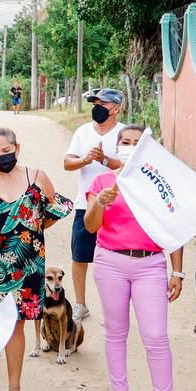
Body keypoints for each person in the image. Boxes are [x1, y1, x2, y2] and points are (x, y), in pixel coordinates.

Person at [83, 125, 186, 391]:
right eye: (124, 142)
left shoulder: (159, 186)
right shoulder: (102, 181)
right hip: (110, 262)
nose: (129, 146)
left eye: (135, 143)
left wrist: (177, 271)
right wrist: (100, 202)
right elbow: (90, 227)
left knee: (155, 336)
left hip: (150, 264)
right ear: (117, 147)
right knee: (115, 331)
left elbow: (174, 231)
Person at [0, 127, 72, 391]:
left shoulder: (37, 177)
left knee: (17, 326)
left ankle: (15, 389)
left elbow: (52, 213)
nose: (2, 156)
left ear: (17, 148)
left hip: (28, 267)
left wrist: (31, 230)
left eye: (6, 151)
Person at [62, 88, 126, 323]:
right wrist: (85, 160)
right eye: (94, 103)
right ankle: (80, 304)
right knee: (80, 256)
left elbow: (131, 167)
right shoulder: (82, 132)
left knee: (115, 259)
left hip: (117, 205)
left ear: (116, 108)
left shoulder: (125, 134)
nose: (96, 107)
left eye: (102, 104)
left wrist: (104, 159)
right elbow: (67, 163)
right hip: (85, 203)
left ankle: (114, 309)